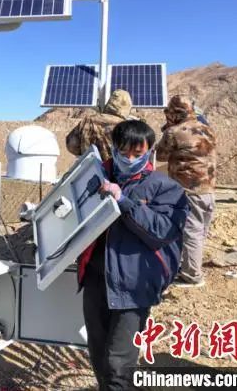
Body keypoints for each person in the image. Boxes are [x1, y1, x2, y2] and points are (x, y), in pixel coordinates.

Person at [77, 120, 188, 390]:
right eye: (123, 152)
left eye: (137, 154)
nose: (129, 159)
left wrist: (123, 202)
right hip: (96, 281)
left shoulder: (165, 187)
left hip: (135, 286)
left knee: (119, 365)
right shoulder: (97, 176)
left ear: (149, 152)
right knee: (98, 354)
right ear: (114, 148)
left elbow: (162, 230)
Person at [157, 94, 217, 288]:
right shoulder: (207, 129)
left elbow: (160, 155)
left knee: (191, 232)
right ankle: (190, 266)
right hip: (208, 189)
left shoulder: (174, 132)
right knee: (200, 231)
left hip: (189, 191)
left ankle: (192, 276)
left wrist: (168, 128)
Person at [66, 89, 134, 162]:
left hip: (90, 165)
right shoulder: (126, 127)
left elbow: (71, 145)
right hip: (114, 167)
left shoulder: (88, 120)